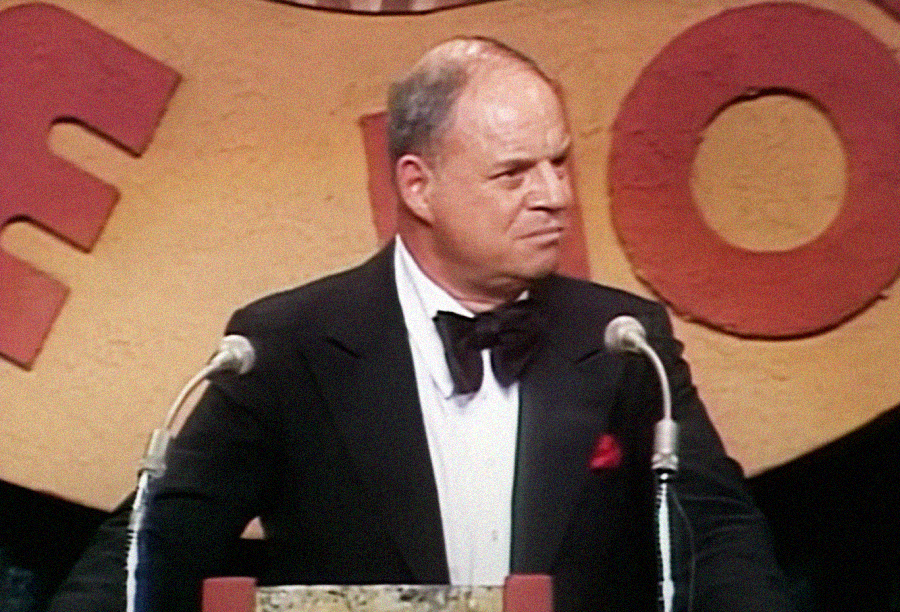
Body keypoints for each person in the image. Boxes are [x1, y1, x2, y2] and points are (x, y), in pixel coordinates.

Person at [51, 37, 795, 612]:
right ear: (419, 185)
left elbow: (718, 540)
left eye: (560, 163)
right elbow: (151, 547)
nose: (555, 196)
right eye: (514, 173)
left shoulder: (626, 343)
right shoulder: (290, 346)